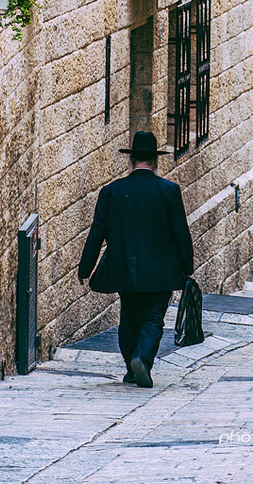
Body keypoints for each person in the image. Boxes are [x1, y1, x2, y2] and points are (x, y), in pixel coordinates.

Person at [78, 130, 194, 388]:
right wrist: (187, 265)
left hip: (124, 268)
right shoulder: (169, 191)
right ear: (155, 161)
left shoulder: (112, 192)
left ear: (131, 160)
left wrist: (85, 268)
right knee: (153, 317)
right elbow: (181, 233)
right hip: (161, 270)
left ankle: (131, 367)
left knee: (129, 316)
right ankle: (141, 358)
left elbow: (97, 232)